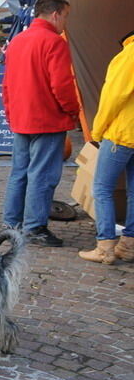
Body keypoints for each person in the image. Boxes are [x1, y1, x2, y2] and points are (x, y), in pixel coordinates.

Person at [1, 0, 81, 247]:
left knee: (19, 173)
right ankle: (35, 227)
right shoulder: (54, 42)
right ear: (56, 14)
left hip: (22, 118)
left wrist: (11, 113)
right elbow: (62, 85)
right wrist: (73, 111)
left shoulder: (17, 41)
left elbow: (6, 84)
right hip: (47, 119)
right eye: (66, 16)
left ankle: (12, 222)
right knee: (42, 175)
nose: (65, 23)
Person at [78, 30, 134, 264]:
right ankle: (129, 245)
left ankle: (105, 246)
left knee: (101, 188)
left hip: (121, 133)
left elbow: (113, 97)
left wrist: (98, 131)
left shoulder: (129, 53)